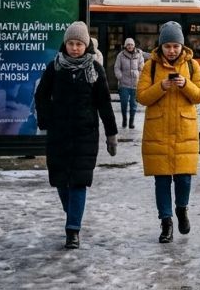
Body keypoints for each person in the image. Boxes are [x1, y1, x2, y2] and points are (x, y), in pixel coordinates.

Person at [34, 22, 118, 250]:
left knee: (79, 182)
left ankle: (73, 230)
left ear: (86, 45)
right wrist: (46, 120)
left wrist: (111, 134)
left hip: (85, 135)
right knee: (62, 181)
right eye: (71, 43)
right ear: (65, 44)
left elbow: (104, 104)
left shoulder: (95, 69)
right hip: (59, 134)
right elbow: (41, 96)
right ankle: (72, 212)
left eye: (79, 44)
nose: (74, 48)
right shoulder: (55, 67)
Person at [137, 21, 200, 244]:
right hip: (158, 131)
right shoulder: (151, 66)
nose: (172, 50)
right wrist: (162, 87)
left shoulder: (193, 66)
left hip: (184, 130)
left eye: (176, 46)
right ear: (161, 46)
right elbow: (142, 97)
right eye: (167, 46)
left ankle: (181, 210)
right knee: (162, 181)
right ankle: (166, 222)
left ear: (182, 46)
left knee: (184, 179)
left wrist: (185, 84)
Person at [114, 38, 145, 129]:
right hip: (124, 84)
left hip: (135, 84)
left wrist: (139, 76)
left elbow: (142, 68)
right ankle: (124, 119)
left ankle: (131, 122)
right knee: (124, 103)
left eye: (131, 44)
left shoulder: (139, 55)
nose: (130, 46)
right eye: (128, 45)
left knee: (133, 104)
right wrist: (120, 77)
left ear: (134, 45)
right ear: (125, 46)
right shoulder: (121, 55)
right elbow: (117, 68)